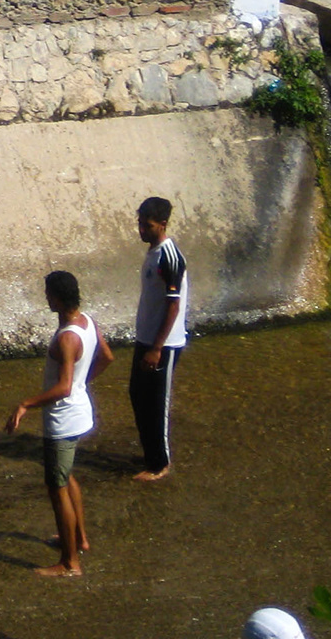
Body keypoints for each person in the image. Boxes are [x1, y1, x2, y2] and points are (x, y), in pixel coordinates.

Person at [5, 270, 113, 579]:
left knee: (57, 486)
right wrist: (82, 382)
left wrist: (26, 404)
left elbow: (64, 387)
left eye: (48, 293)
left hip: (63, 420)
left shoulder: (67, 337)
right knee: (67, 475)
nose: (45, 298)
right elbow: (106, 357)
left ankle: (69, 562)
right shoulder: (87, 322)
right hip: (80, 414)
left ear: (57, 298)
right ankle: (79, 539)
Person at [130, 195, 189, 481]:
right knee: (137, 394)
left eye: (148, 225)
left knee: (157, 403)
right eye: (140, 223)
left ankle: (160, 465)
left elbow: (173, 305)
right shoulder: (153, 253)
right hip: (145, 338)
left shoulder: (170, 257)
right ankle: (149, 454)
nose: (142, 230)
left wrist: (156, 348)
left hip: (163, 345)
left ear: (163, 224)